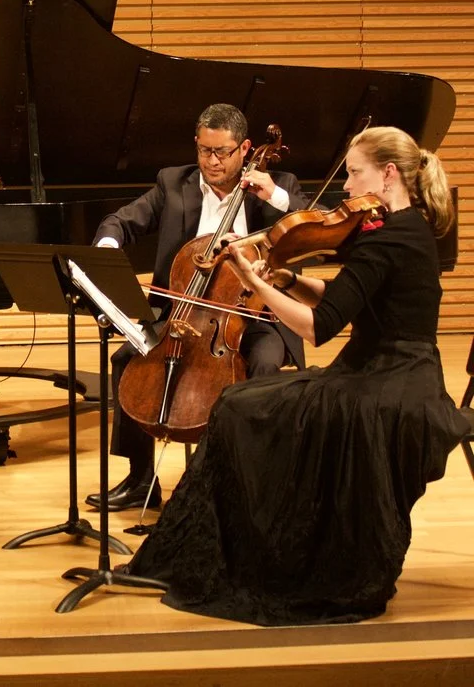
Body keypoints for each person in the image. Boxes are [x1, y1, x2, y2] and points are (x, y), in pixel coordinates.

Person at [124, 126, 472, 625]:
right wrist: (284, 278)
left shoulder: (387, 237)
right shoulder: (403, 228)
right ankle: (254, 550)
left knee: (241, 407)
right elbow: (342, 297)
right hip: (395, 371)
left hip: (385, 385)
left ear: (388, 173)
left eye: (354, 174)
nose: (346, 188)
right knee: (246, 403)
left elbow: (317, 329)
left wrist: (251, 283)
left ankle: (259, 557)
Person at [87, 103, 309, 512]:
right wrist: (108, 244)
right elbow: (120, 220)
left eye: (221, 152)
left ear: (245, 148)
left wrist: (275, 196)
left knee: (261, 366)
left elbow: (309, 227)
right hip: (185, 310)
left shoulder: (278, 186)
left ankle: (247, 481)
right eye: (204, 150)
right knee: (126, 359)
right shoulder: (174, 183)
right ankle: (140, 480)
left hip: (253, 315)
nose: (211, 161)